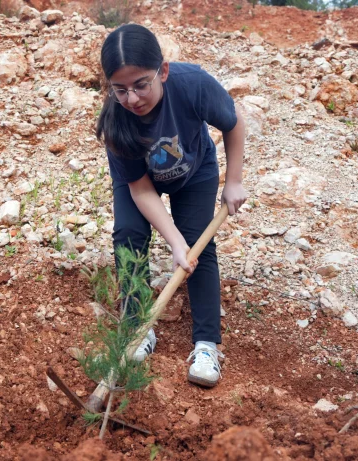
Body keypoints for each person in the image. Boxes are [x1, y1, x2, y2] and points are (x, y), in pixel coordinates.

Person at [95, 24, 248, 388]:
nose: (131, 98)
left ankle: (207, 344)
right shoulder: (116, 120)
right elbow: (142, 191)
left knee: (200, 243)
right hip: (141, 183)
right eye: (120, 89)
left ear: (162, 70)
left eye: (141, 84)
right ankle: (136, 329)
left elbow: (234, 122)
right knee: (129, 234)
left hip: (194, 170)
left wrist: (234, 181)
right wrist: (174, 243)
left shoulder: (192, 84)